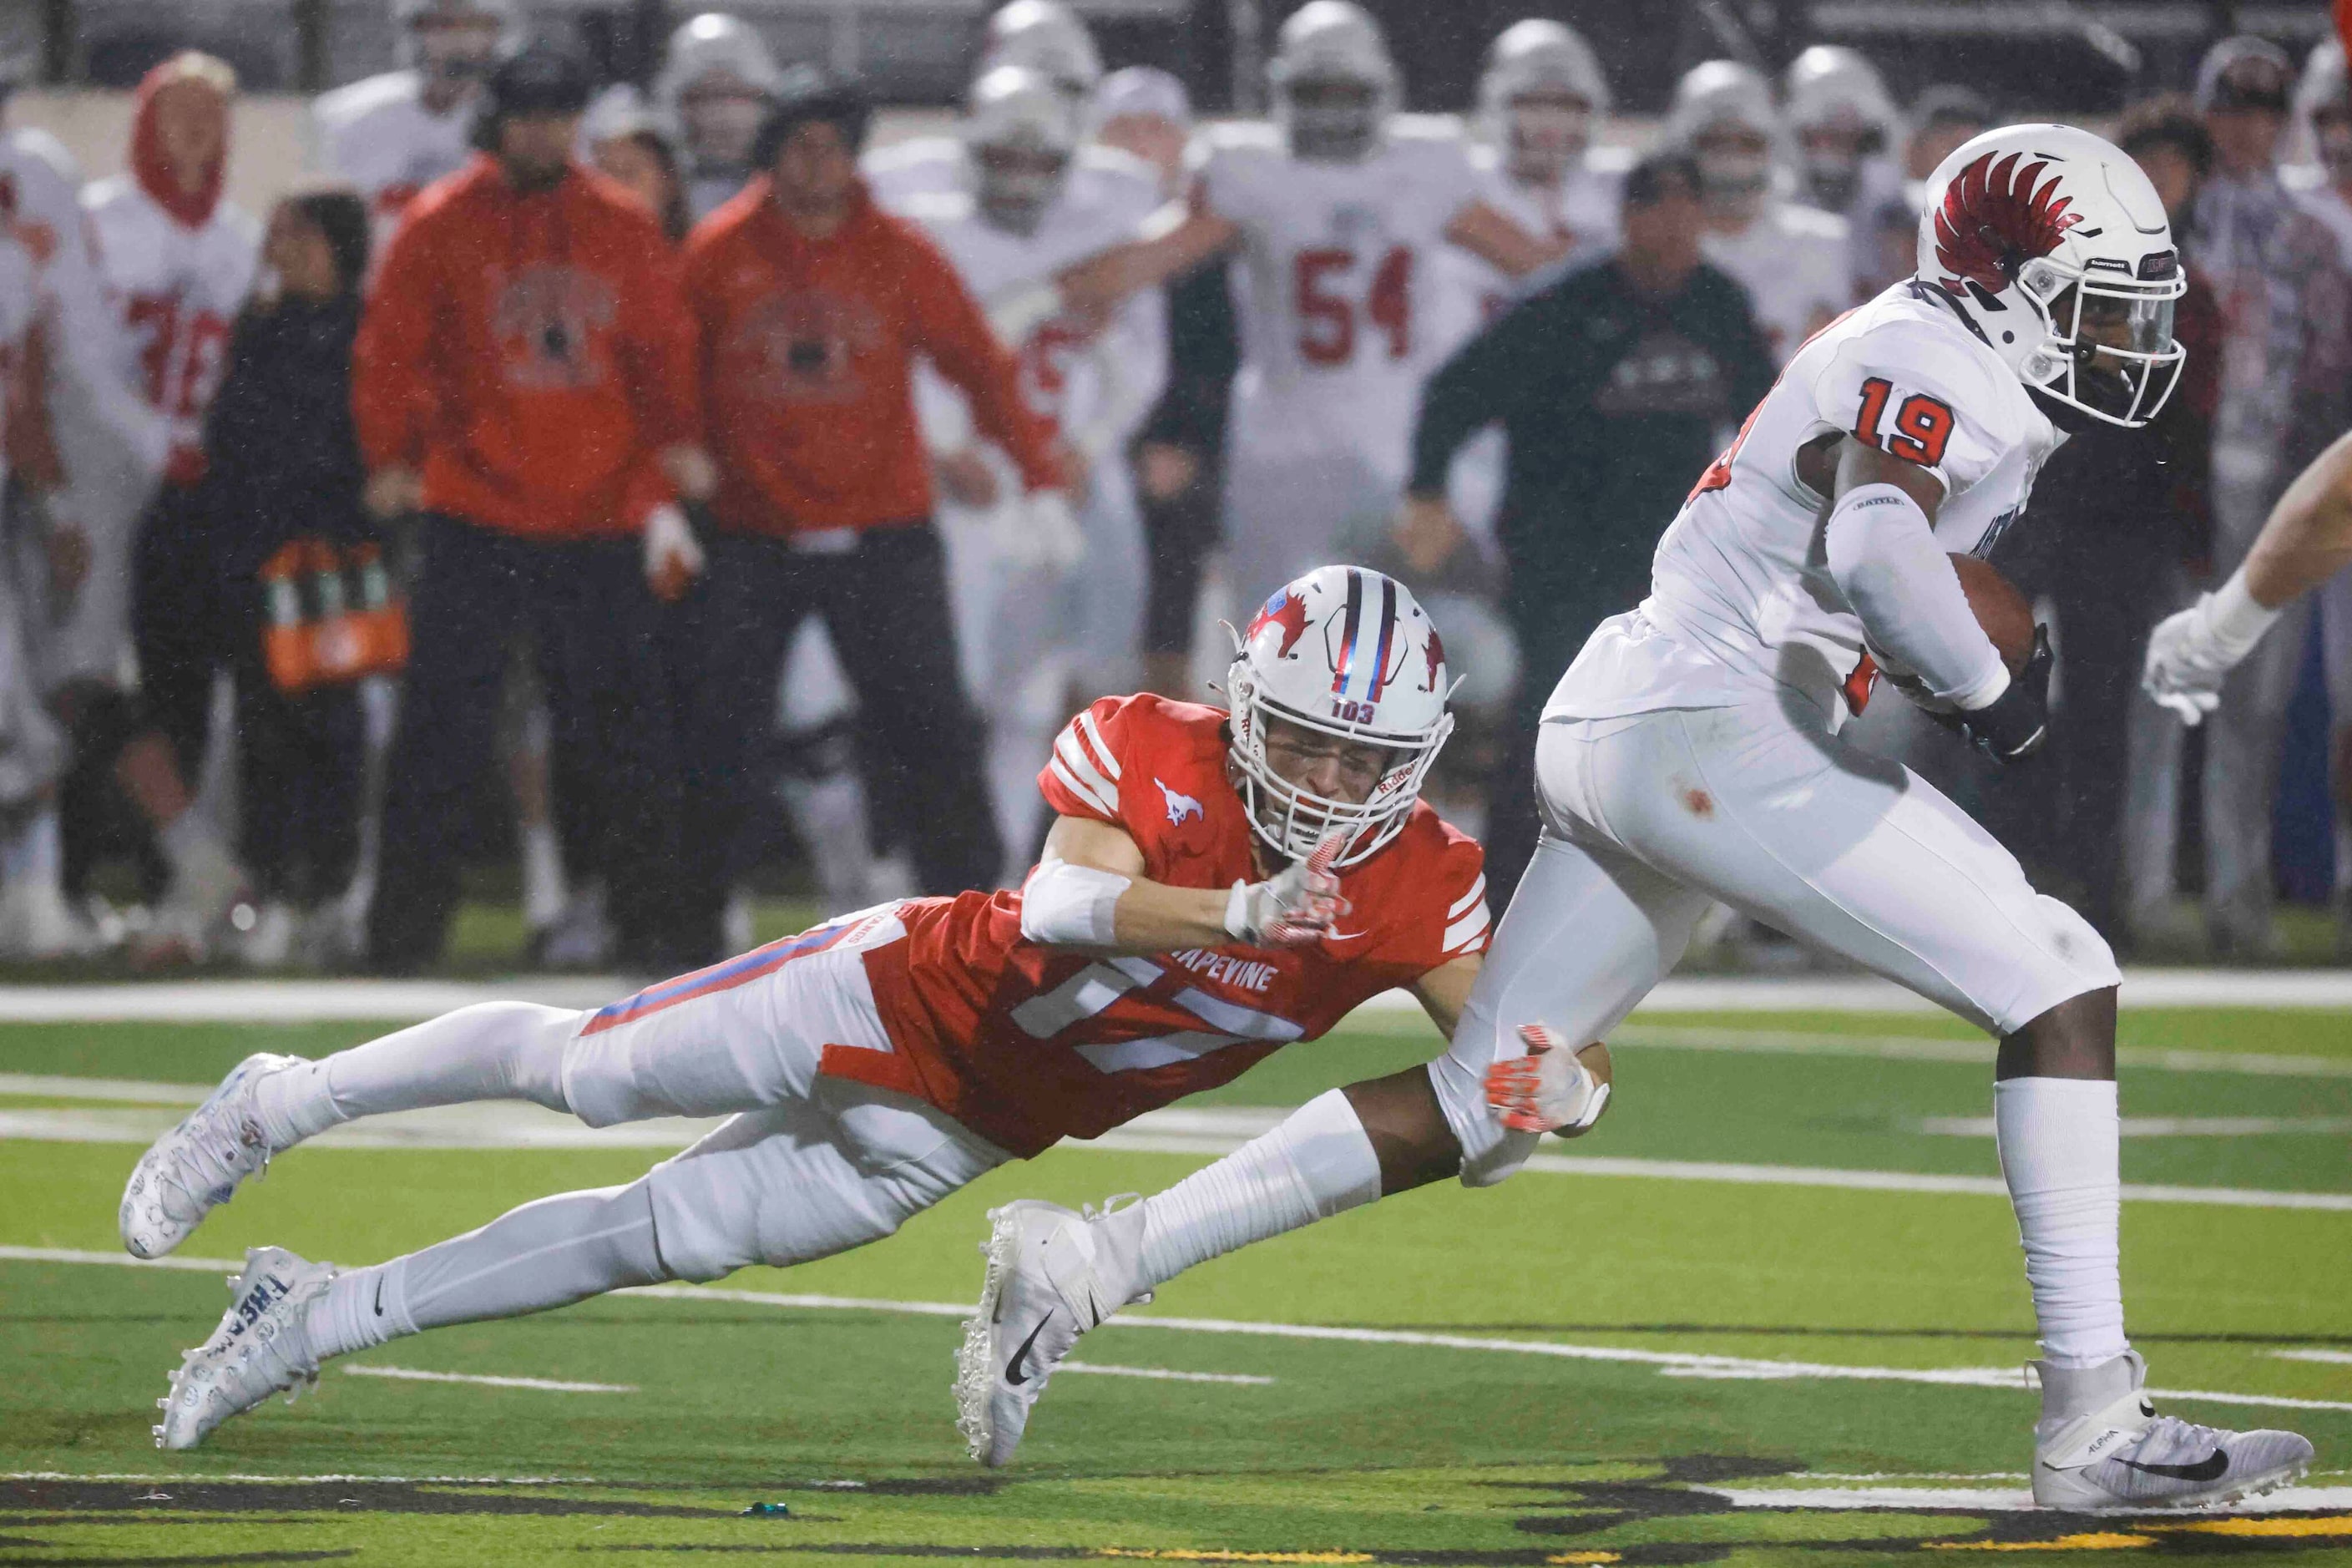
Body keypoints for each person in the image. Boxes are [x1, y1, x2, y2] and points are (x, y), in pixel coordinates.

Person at [979, 124, 2319, 1509]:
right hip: (1703, 731)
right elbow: (1870, 544)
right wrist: (1990, 691)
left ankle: (1090, 1262)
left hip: (1635, 713)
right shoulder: (1938, 358)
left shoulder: (1927, 347)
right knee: (2060, 972)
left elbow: (1831, 575)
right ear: (2004, 277)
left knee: (1479, 1104)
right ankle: (2091, 1421)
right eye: (2105, 296)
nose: (2129, 332)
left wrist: (1905, 655)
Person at [122, 565, 1496, 1455]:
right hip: (892, 991)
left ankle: (303, 1315)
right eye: (1305, 734)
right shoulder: (1151, 738)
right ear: (1245, 702)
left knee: (647, 1237)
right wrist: (1236, 915)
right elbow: (1060, 906)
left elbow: (1502, 1059)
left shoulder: (1422, 877)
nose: (1324, 776)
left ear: (1414, 754)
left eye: (1360, 751)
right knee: (583, 1071)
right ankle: (276, 1098)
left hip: (968, 1130)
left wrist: (1562, 1083)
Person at [674, 68, 1073, 956]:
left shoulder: (897, 249)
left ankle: (974, 919)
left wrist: (1038, 475)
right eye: (800, 145)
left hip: (880, 526)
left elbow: (979, 362)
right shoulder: (717, 249)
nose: (818, 164)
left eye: (833, 146)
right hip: (752, 529)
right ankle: (694, 917)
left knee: (930, 725)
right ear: (771, 153)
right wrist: (667, 486)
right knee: (718, 728)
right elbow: (668, 377)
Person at [354, 41, 709, 973]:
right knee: (440, 733)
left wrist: (674, 455)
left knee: (626, 737)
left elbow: (664, 350)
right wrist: (390, 454)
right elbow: (391, 347)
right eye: (528, 114)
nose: (544, 131)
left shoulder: (622, 224)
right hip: (475, 509)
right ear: (498, 120)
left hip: (597, 515)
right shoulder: (440, 223)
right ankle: (401, 937)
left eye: (559, 114)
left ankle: (653, 933)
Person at [1050, 0, 1563, 613]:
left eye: (1344, 92)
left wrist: (1053, 287)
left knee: (1305, 647)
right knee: (1364, 650)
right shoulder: (1407, 168)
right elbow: (1550, 272)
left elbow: (1132, 266)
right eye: (1317, 92)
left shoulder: (1271, 169)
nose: (1332, 110)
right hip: (1344, 449)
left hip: (1316, 453)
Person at [1396, 152, 1775, 906]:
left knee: (1675, 728)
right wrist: (1427, 491)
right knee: (1550, 723)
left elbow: (1765, 425)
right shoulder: (1559, 305)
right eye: (1651, 209)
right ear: (1626, 218)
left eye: (1681, 209)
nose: (1666, 227)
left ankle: (1669, 896)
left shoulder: (1718, 305)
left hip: (1668, 562)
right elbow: (1452, 393)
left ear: (1701, 218)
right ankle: (1506, 894)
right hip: (1561, 555)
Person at [888, 67, 1165, 881]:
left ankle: (999, 877)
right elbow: (897, 356)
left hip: (1051, 489)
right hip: (967, 487)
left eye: (1037, 161)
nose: (1019, 177)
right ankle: (912, 870)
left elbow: (1132, 360)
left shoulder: (1094, 230)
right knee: (951, 694)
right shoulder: (928, 233)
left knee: (1035, 697)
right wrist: (938, 446)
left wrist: (1090, 445)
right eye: (1004, 157)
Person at [134, 190, 377, 967]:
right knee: (263, 734)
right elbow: (234, 441)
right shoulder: (260, 326)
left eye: (300, 234)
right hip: (251, 562)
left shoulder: (364, 331)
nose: (283, 247)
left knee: (330, 729)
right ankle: (272, 890)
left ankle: (331, 895)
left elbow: (353, 444)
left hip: (327, 563)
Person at [67, 53, 261, 960]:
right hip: (93, 482)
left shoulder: (239, 239)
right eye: (177, 112)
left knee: (182, 685)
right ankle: (65, 879)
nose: (196, 131)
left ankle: (182, 877)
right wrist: (151, 438)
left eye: (212, 115)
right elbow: (72, 356)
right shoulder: (98, 223)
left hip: (197, 501)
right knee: (78, 677)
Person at [2014, 101, 2221, 945]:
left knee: (2102, 714)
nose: (2161, 180)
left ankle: (2092, 894)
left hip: (2124, 522)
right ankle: (2006, 876)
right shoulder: (2051, 265)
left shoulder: (2190, 292)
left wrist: (2190, 529)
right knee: (1986, 695)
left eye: (2175, 167)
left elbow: (2189, 424)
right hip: (2036, 510)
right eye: (2147, 164)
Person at [2161, 39, 2352, 948]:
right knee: (2155, 697)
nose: (2250, 128)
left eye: (2268, 112)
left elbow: (2326, 379)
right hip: (2175, 489)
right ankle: (2144, 894)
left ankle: (2241, 902)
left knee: (2256, 706)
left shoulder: (2309, 236)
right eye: (2233, 109)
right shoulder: (2166, 222)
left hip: (2269, 486)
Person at [1092, 68, 1233, 698]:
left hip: (1165, 443)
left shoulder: (1200, 231)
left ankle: (1160, 727)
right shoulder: (1074, 214)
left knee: (1169, 593)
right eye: (1124, 128)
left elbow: (1214, 350)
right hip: (1071, 437)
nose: (1139, 144)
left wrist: (1179, 437)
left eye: (1155, 128)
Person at [1667, 59, 1851, 366]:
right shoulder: (1657, 244)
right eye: (1714, 142)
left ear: (1772, 148)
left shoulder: (1822, 242)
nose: (1732, 158)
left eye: (1748, 143)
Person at [312, 0, 514, 247]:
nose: (459, 40)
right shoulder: (350, 116)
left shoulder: (521, 121)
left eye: (473, 25)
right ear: (416, 29)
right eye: (444, 24)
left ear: (497, 31)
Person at [1782, 46, 1907, 295]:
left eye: (1845, 136)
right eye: (1822, 134)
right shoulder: (1776, 197)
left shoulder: (1895, 203)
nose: (1833, 145)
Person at [654, 13, 782, 223]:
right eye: (704, 96)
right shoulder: (653, 196)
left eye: (737, 95)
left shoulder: (797, 194)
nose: (723, 114)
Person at [580, 85, 690, 243]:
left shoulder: (709, 257)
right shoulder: (568, 264)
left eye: (628, 173)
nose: (614, 190)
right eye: (602, 178)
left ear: (668, 179)